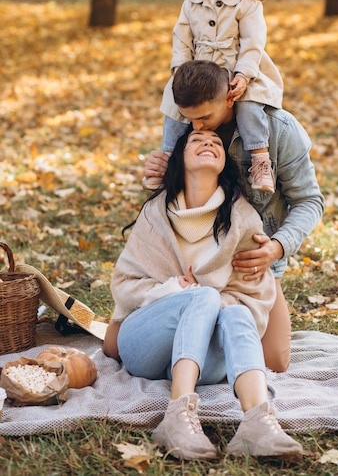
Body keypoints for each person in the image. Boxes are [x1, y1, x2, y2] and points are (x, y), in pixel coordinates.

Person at [104, 127, 304, 461]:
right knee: (205, 296)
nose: (208, 143)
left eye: (215, 142)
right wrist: (174, 291)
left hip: (208, 356)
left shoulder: (242, 220)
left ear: (224, 162)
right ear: (179, 158)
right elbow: (124, 283)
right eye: (197, 140)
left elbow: (251, 294)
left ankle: (258, 422)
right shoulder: (155, 215)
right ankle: (178, 416)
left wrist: (209, 301)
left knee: (233, 309)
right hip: (148, 345)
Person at [143, 60, 325, 373]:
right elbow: (170, 202)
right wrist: (158, 174)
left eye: (203, 118)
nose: (196, 128)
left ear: (230, 97)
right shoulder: (185, 124)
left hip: (247, 264)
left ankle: (208, 342)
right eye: (189, 120)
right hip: (193, 259)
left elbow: (309, 200)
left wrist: (277, 247)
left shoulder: (280, 129)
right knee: (120, 345)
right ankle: (200, 343)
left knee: (275, 361)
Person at [155, 0, 284, 194]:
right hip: (198, 72)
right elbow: (181, 39)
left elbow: (253, 43)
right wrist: (180, 71)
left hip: (237, 70)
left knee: (248, 104)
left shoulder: (248, 4)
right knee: (175, 102)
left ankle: (260, 160)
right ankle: (167, 160)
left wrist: (244, 74)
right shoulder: (192, 2)